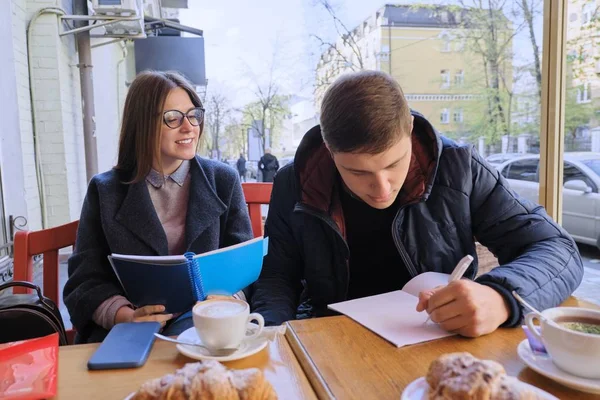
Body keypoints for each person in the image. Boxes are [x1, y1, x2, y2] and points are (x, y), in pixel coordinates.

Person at [250, 71, 584, 337]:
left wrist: (501, 296)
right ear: (328, 147)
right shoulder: (295, 181)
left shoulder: (459, 168)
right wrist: (270, 336)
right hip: (333, 333)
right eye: (357, 172)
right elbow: (279, 275)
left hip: (442, 334)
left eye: (393, 164)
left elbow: (555, 246)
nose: (381, 188)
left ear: (409, 128)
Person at [64, 71, 253, 343]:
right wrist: (125, 315)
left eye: (193, 115)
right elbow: (84, 281)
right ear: (142, 125)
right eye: (173, 118)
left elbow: (245, 268)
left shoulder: (224, 180)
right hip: (130, 332)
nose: (189, 127)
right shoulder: (105, 190)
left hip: (208, 326)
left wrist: (227, 299)